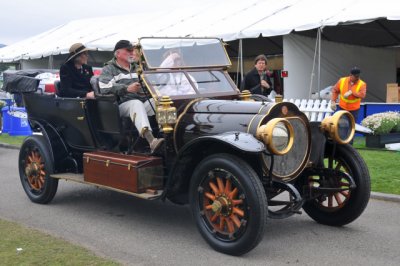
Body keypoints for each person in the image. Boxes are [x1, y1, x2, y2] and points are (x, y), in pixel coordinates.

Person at [98, 40, 163, 154]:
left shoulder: (138, 66)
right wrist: (126, 88)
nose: (132, 52)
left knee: (160, 101)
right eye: (128, 50)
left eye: (133, 50)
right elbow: (104, 87)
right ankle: (151, 141)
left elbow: (153, 82)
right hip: (120, 105)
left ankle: (166, 135)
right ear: (117, 54)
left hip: (141, 103)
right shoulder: (109, 69)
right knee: (135, 103)